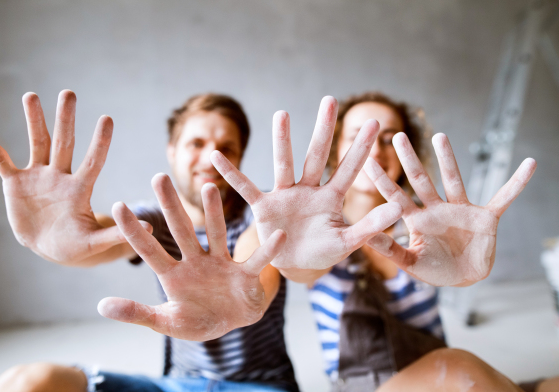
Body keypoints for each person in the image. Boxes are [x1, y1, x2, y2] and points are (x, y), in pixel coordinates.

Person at [211, 93, 548, 391]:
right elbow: (294, 272)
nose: (375, 149)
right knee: (460, 366)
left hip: (442, 382)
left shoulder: (428, 231)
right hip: (370, 386)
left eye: (388, 139)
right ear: (336, 152)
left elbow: (455, 279)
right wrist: (238, 295)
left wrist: (465, 271)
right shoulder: (306, 233)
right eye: (359, 137)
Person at [0, 90, 298, 392]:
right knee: (27, 383)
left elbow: (259, 259)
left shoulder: (262, 214)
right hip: (178, 385)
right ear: (172, 151)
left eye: (226, 148)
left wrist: (240, 293)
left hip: (261, 386)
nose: (210, 158)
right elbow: (110, 235)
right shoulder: (156, 219)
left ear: (239, 158)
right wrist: (66, 238)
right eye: (196, 144)